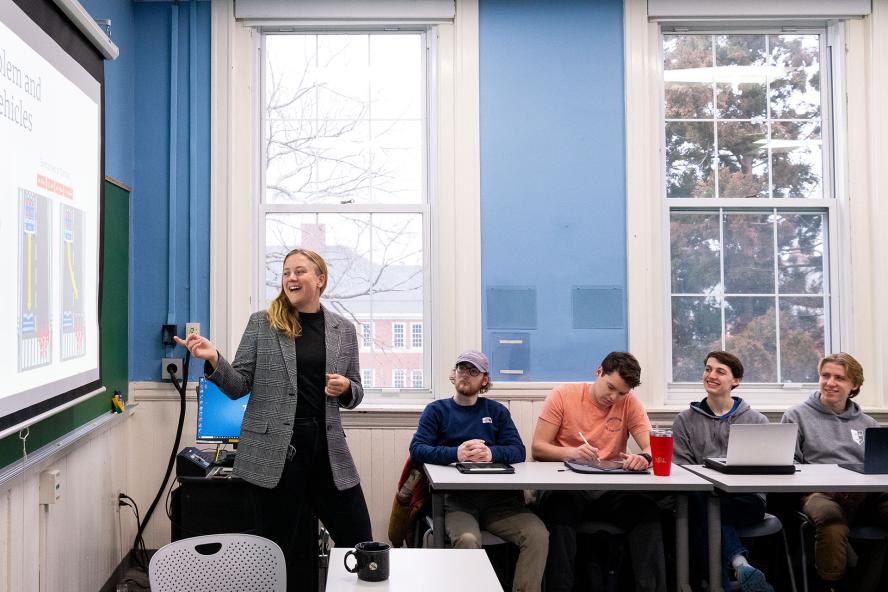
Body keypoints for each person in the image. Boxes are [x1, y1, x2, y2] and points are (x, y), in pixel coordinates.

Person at [175, 248, 371, 590]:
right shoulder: (263, 324)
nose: (291, 278)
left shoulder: (343, 330)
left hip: (327, 450)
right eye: (285, 273)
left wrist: (346, 388)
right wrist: (213, 358)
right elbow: (238, 386)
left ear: (320, 280)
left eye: (300, 272)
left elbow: (356, 392)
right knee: (280, 552)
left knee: (361, 540)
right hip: (276, 453)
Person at [409, 350, 548, 592]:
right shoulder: (437, 410)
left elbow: (518, 450)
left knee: (537, 535)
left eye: (473, 371)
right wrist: (457, 454)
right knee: (468, 540)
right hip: (457, 502)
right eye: (462, 369)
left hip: (499, 502)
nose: (466, 375)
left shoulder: (496, 412)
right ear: (454, 375)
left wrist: (491, 454)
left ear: (484, 380)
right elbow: (418, 449)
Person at [531, 351, 666, 592]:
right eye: (610, 387)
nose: (614, 397)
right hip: (568, 486)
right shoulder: (563, 395)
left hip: (610, 488)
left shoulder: (629, 403)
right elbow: (538, 448)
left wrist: (643, 458)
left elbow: (652, 448)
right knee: (559, 517)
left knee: (648, 515)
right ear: (598, 372)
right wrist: (571, 453)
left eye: (622, 393)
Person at [781, 353, 888, 592]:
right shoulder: (796, 415)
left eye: (839, 378)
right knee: (832, 522)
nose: (830, 382)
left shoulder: (868, 423)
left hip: (865, 495)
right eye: (825, 375)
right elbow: (789, 466)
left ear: (854, 385)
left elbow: (879, 468)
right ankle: (832, 586)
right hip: (820, 494)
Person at [672, 351, 773, 592]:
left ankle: (721, 583)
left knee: (701, 517)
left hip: (745, 501)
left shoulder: (757, 421)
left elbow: (767, 469)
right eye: (708, 369)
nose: (711, 375)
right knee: (701, 505)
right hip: (701, 497)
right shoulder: (684, 420)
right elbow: (683, 469)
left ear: (735, 381)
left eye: (720, 371)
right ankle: (741, 565)